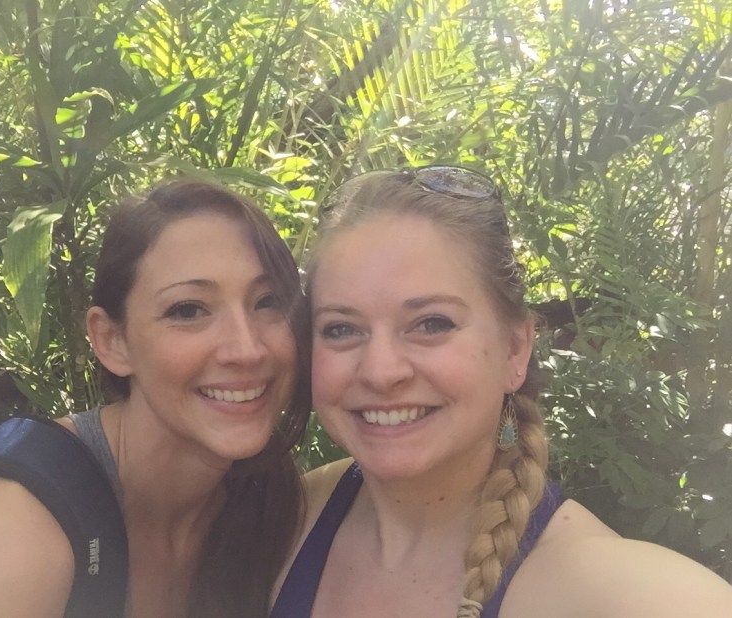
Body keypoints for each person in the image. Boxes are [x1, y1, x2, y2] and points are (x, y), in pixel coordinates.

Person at [271, 165, 732, 617]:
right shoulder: (290, 519)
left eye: (432, 324)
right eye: (341, 328)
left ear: (515, 349)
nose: (380, 371)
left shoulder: (604, 586)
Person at [0, 178, 311, 618]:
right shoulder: (13, 528)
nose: (247, 349)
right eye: (188, 309)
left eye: (268, 301)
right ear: (112, 341)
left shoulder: (269, 499)